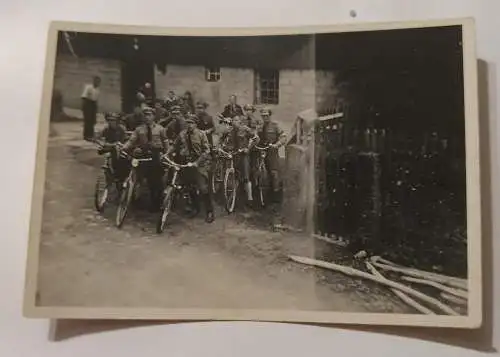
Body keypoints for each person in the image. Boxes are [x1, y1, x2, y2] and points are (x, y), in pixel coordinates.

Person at [167, 115, 215, 223]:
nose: (189, 125)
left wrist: (197, 162)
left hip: (199, 164)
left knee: (203, 188)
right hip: (186, 163)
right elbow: (174, 146)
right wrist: (167, 153)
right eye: (187, 123)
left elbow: (206, 151)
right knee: (188, 187)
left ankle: (209, 212)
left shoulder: (201, 135)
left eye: (191, 123)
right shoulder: (182, 134)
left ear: (196, 124)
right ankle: (195, 208)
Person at [121, 107, 169, 212]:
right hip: (143, 154)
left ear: (154, 116)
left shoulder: (160, 129)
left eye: (149, 115)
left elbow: (165, 143)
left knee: (155, 180)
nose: (147, 117)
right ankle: (134, 196)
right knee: (136, 172)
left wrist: (166, 154)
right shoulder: (139, 129)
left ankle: (157, 202)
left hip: (156, 154)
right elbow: (132, 140)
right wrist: (124, 148)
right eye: (145, 115)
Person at [218, 115, 259, 203]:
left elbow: (256, 139)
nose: (235, 122)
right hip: (233, 154)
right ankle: (232, 193)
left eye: (237, 120)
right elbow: (221, 139)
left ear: (240, 122)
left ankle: (250, 198)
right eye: (233, 120)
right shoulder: (229, 130)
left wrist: (248, 148)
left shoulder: (245, 129)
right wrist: (221, 146)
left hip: (243, 155)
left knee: (246, 176)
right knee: (231, 173)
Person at [256, 107, 286, 202]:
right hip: (261, 150)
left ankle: (276, 193)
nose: (265, 117)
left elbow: (283, 137)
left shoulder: (275, 125)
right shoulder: (259, 126)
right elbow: (255, 137)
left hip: (272, 151)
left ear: (270, 115)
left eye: (267, 116)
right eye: (263, 116)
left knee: (274, 172)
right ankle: (261, 191)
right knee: (259, 171)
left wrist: (277, 145)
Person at [95, 112, 129, 184]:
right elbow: (98, 139)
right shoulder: (106, 129)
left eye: (113, 120)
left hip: (120, 148)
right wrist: (103, 144)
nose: (111, 122)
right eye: (110, 120)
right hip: (109, 147)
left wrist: (121, 145)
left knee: (125, 158)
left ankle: (120, 175)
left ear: (117, 121)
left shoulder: (121, 129)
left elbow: (125, 139)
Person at [81, 76, 101, 141]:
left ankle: (91, 134)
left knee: (93, 120)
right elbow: (84, 97)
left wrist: (95, 108)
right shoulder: (88, 87)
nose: (97, 83)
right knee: (87, 120)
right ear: (93, 81)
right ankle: (86, 135)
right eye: (96, 81)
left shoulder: (98, 90)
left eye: (98, 82)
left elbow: (96, 100)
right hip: (87, 103)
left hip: (93, 104)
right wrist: (84, 107)